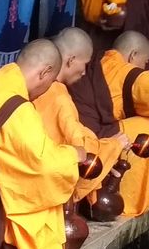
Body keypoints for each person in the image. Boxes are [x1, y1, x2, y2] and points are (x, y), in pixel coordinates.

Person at [0, 39, 86, 249]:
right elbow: (41, 164)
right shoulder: (18, 106)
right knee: (43, 196)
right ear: (45, 73)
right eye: (49, 83)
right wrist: (73, 155)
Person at [72, 31, 149, 216]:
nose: (144, 67)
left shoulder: (100, 61)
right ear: (133, 55)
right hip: (90, 141)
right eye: (145, 61)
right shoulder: (121, 70)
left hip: (79, 136)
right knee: (145, 128)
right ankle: (129, 199)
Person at [33, 28, 129, 203]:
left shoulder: (37, 87)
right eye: (85, 64)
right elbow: (81, 151)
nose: (85, 72)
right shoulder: (59, 97)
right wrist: (114, 145)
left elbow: (75, 131)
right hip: (46, 186)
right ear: (71, 60)